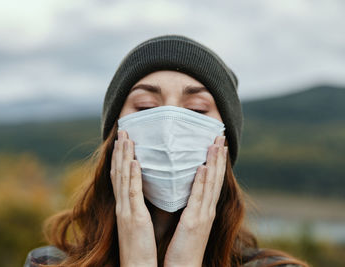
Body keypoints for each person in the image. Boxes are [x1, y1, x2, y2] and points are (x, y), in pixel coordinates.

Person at [24, 35, 309, 267]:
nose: (169, 130)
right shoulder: (49, 263)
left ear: (225, 142)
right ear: (115, 136)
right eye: (146, 106)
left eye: (197, 109)